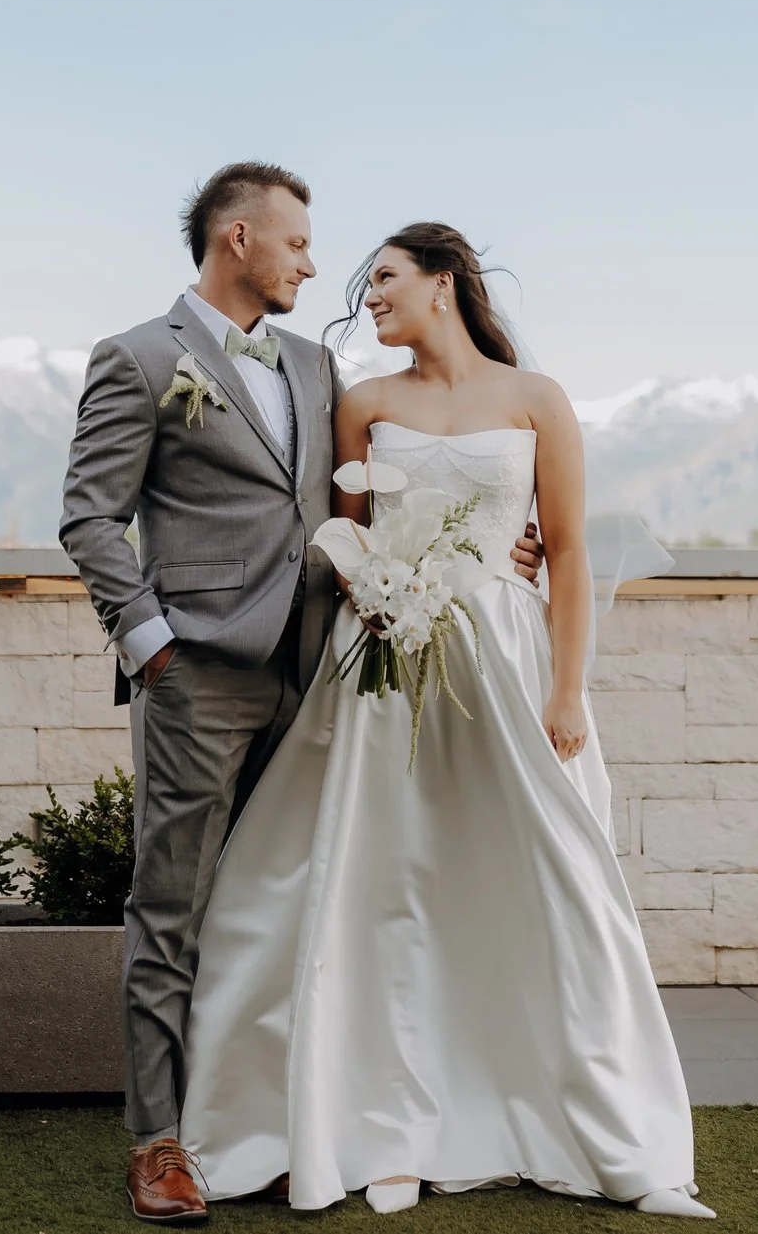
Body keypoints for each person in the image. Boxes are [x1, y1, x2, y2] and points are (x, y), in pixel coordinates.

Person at [176, 221, 710, 1218]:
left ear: (443, 280)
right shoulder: (365, 403)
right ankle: (381, 1128)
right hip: (380, 663)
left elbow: (568, 556)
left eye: (383, 278)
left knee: (539, 884)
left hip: (507, 664)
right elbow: (339, 535)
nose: (366, 296)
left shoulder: (535, 401)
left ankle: (594, 1126)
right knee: (382, 888)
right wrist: (371, 583)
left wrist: (566, 691)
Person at [58, 171, 544, 1225]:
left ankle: (273, 1126)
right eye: (297, 243)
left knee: (288, 905)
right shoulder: (139, 360)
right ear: (238, 239)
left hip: (323, 676)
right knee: (175, 905)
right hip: (196, 678)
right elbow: (91, 520)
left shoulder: (319, 367)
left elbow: (375, 495)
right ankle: (159, 1143)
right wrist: (153, 651)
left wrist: (495, 539)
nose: (313, 265)